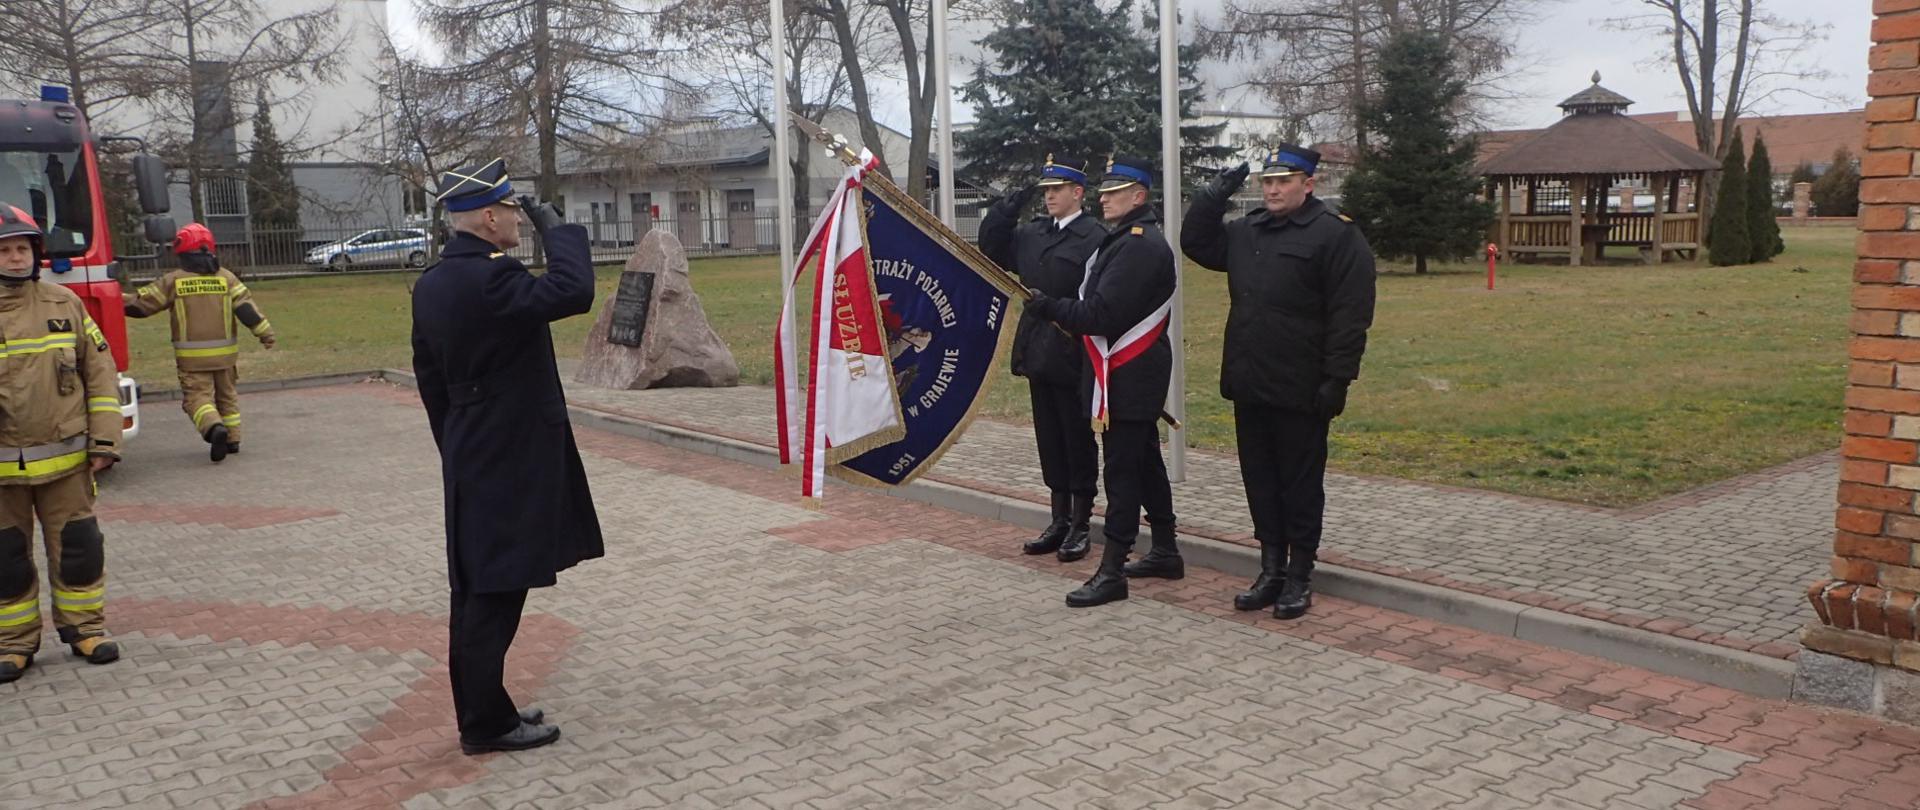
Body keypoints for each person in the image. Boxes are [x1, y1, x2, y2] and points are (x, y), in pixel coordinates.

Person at [409, 158, 604, 754]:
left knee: (484, 586)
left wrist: (458, 443)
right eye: (516, 211)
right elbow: (573, 290)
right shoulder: (490, 279)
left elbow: (429, 378)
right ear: (489, 217)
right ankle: (485, 723)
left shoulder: (435, 283)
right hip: (506, 451)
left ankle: (486, 708)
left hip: (475, 446)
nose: (520, 220)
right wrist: (558, 228)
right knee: (493, 589)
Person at [1181, 145, 1376, 620]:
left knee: (1300, 483)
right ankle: (1270, 568)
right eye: (1266, 182)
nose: (1271, 189)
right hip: (1250, 379)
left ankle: (1300, 573)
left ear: (1308, 184)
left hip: (1302, 385)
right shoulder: (1249, 231)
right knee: (1260, 480)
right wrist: (1212, 195)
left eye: (1282, 181)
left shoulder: (1335, 236)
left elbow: (1351, 316)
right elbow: (1196, 243)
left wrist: (1338, 379)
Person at [1025, 156, 1181, 608]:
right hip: (1126, 372)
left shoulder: (1138, 244)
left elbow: (1101, 314)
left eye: (1115, 191)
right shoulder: (1126, 241)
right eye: (1104, 190)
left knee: (1123, 470)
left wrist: (1048, 307)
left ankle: (1112, 569)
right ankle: (1166, 550)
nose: (1104, 197)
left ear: (1139, 196)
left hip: (1130, 374)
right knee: (1146, 460)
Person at [0, 203, 124, 683]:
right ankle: (13, 643)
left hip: (67, 461)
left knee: (80, 548)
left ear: (36, 253)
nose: (14, 259)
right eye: (5, 250)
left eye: (21, 249)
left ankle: (85, 630)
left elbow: (100, 371)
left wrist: (106, 441)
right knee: (6, 560)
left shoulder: (63, 304)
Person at [978, 154, 1106, 563]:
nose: (1049, 196)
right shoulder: (1033, 233)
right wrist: (1005, 209)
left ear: (1077, 193)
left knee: (1076, 439)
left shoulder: (1094, 237)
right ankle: (1058, 518)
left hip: (1074, 349)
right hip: (1037, 349)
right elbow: (992, 249)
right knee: (1049, 439)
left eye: (1056, 190)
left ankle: (1081, 523)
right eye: (1045, 190)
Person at [124, 223, 277, 462]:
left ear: (182, 252)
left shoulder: (174, 281)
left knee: (197, 399)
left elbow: (141, 305)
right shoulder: (227, 278)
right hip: (226, 357)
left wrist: (113, 298)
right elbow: (247, 309)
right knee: (227, 396)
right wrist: (265, 334)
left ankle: (213, 428)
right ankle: (233, 439)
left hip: (192, 360)